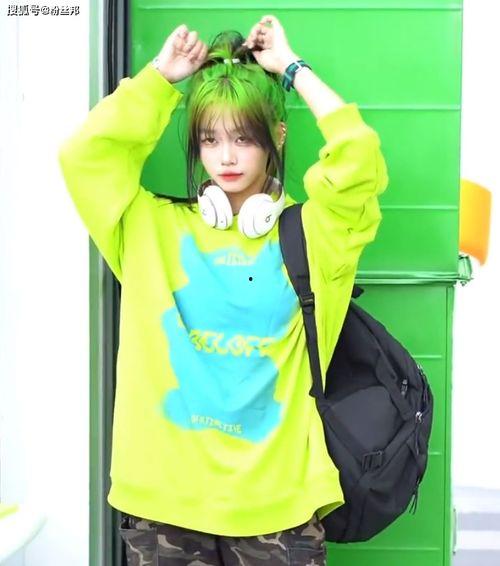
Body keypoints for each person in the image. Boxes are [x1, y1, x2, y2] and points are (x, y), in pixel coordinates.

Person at [58, 14, 389, 566]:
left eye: (244, 138)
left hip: (278, 506)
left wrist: (292, 69)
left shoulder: (316, 237)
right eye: (209, 139)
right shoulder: (148, 228)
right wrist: (159, 79)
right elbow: (84, 157)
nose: (226, 157)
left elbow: (358, 158)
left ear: (276, 136)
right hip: (163, 501)